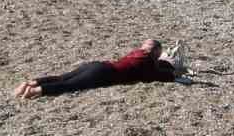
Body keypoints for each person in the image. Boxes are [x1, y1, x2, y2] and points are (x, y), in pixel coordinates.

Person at [13, 39, 187, 99]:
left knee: (62, 77)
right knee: (70, 86)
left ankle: (29, 83)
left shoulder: (137, 53)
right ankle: (34, 91)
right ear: (156, 52)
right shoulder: (147, 62)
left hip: (99, 64)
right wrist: (173, 74)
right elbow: (153, 76)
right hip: (103, 73)